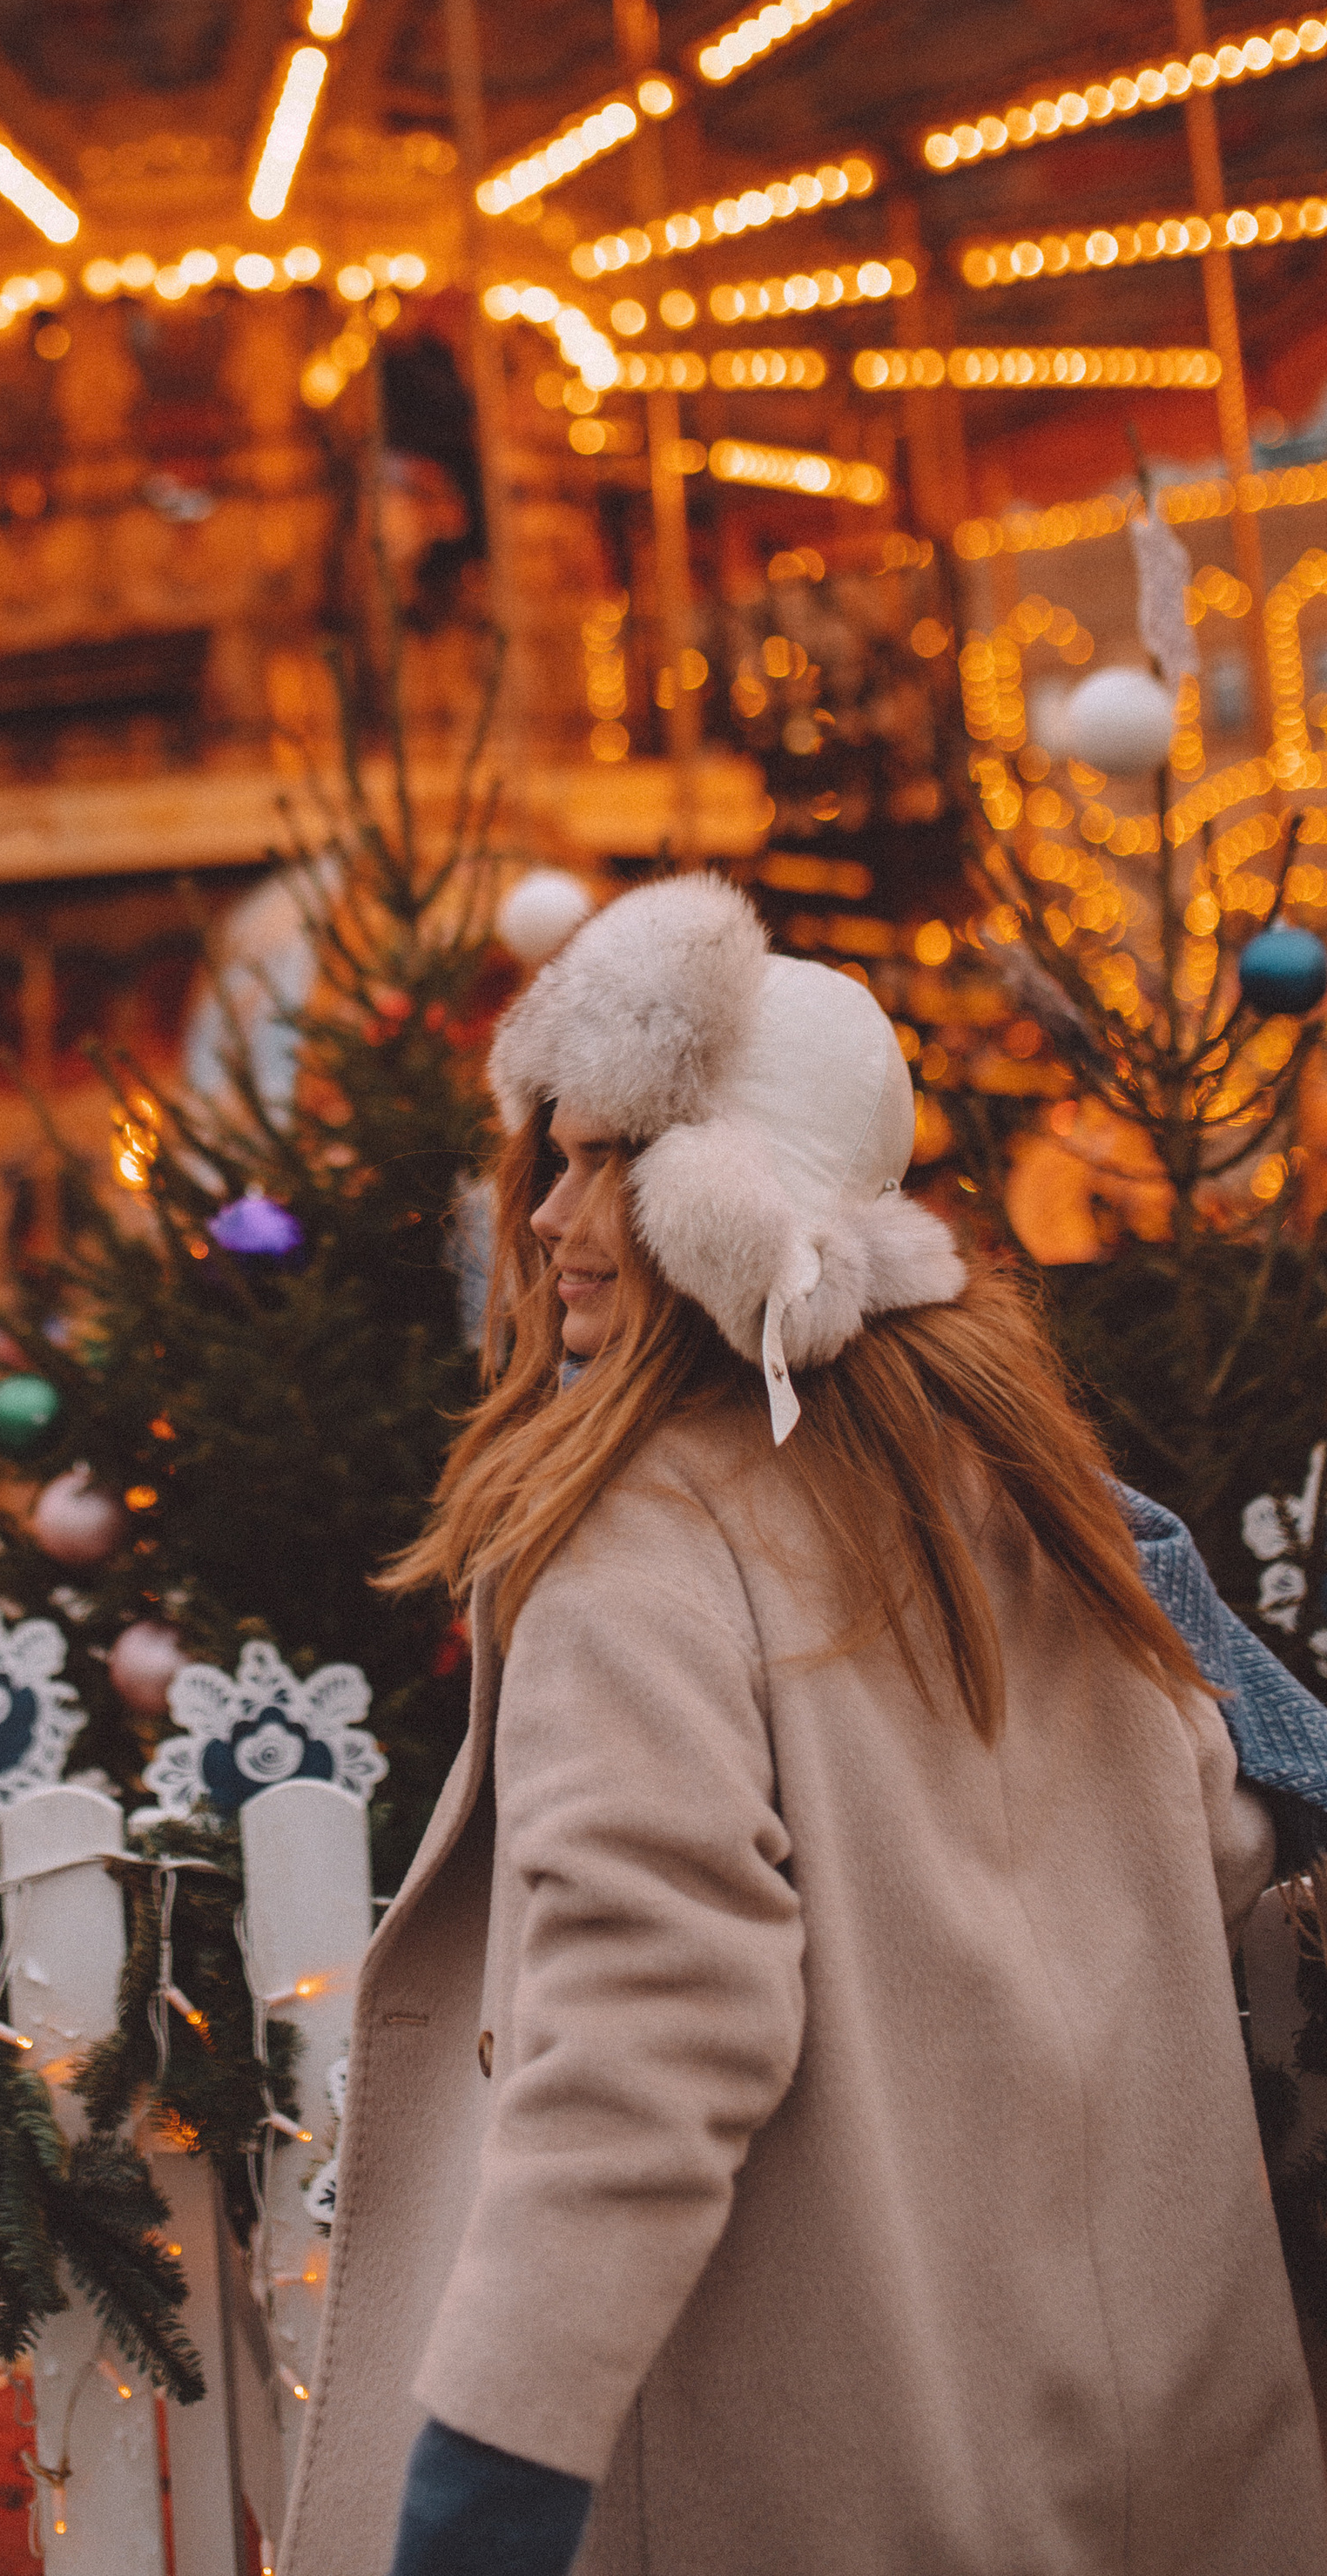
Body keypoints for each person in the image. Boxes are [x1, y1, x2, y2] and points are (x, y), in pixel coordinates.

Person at [281, 874, 1327, 2576]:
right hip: (1134, 2462)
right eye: (540, 1162)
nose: (541, 1221)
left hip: (801, 2479)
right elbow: (1210, 1840)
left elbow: (638, 2045)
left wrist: (477, 2507)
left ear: (706, 1202)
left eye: (590, 1167)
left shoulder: (632, 1549)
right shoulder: (1043, 1509)